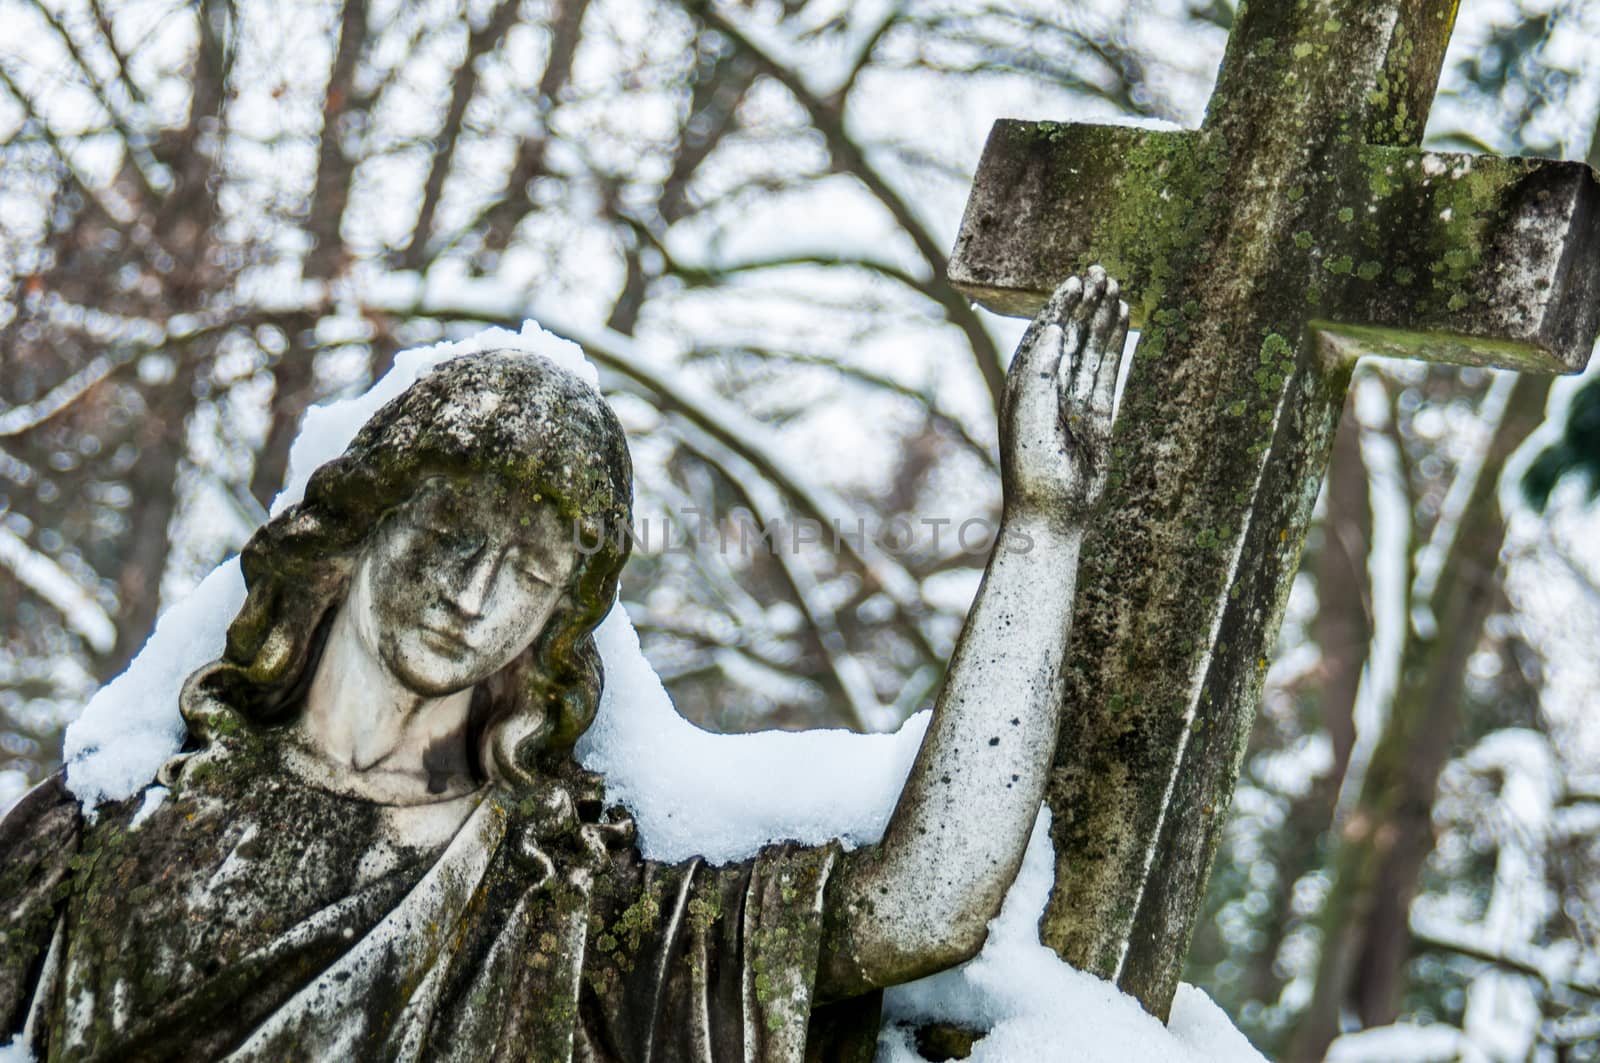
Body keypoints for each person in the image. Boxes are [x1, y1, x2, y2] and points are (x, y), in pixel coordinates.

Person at [0, 270, 1129, 1062]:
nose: (473, 593)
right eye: (450, 535)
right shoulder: (108, 831)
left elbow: (918, 907)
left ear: (555, 624)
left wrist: (1042, 525)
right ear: (352, 534)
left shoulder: (558, 907)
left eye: (529, 570)